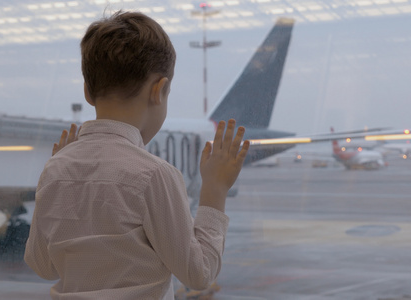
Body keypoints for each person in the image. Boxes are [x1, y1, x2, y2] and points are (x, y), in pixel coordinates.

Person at [24, 10, 250, 300]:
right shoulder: (154, 175)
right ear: (160, 90)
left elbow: (44, 266)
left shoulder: (55, 169)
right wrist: (215, 191)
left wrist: (59, 171)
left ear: (88, 92)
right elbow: (198, 273)